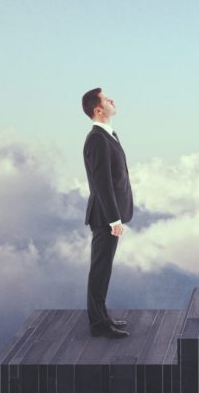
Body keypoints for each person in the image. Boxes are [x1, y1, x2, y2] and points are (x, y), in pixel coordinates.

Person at [81, 87, 134, 338]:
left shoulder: (108, 135)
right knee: (100, 268)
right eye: (107, 99)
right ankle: (98, 324)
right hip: (104, 216)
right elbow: (102, 182)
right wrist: (114, 219)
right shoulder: (97, 139)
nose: (113, 100)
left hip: (109, 215)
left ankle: (102, 318)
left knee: (104, 268)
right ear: (98, 109)